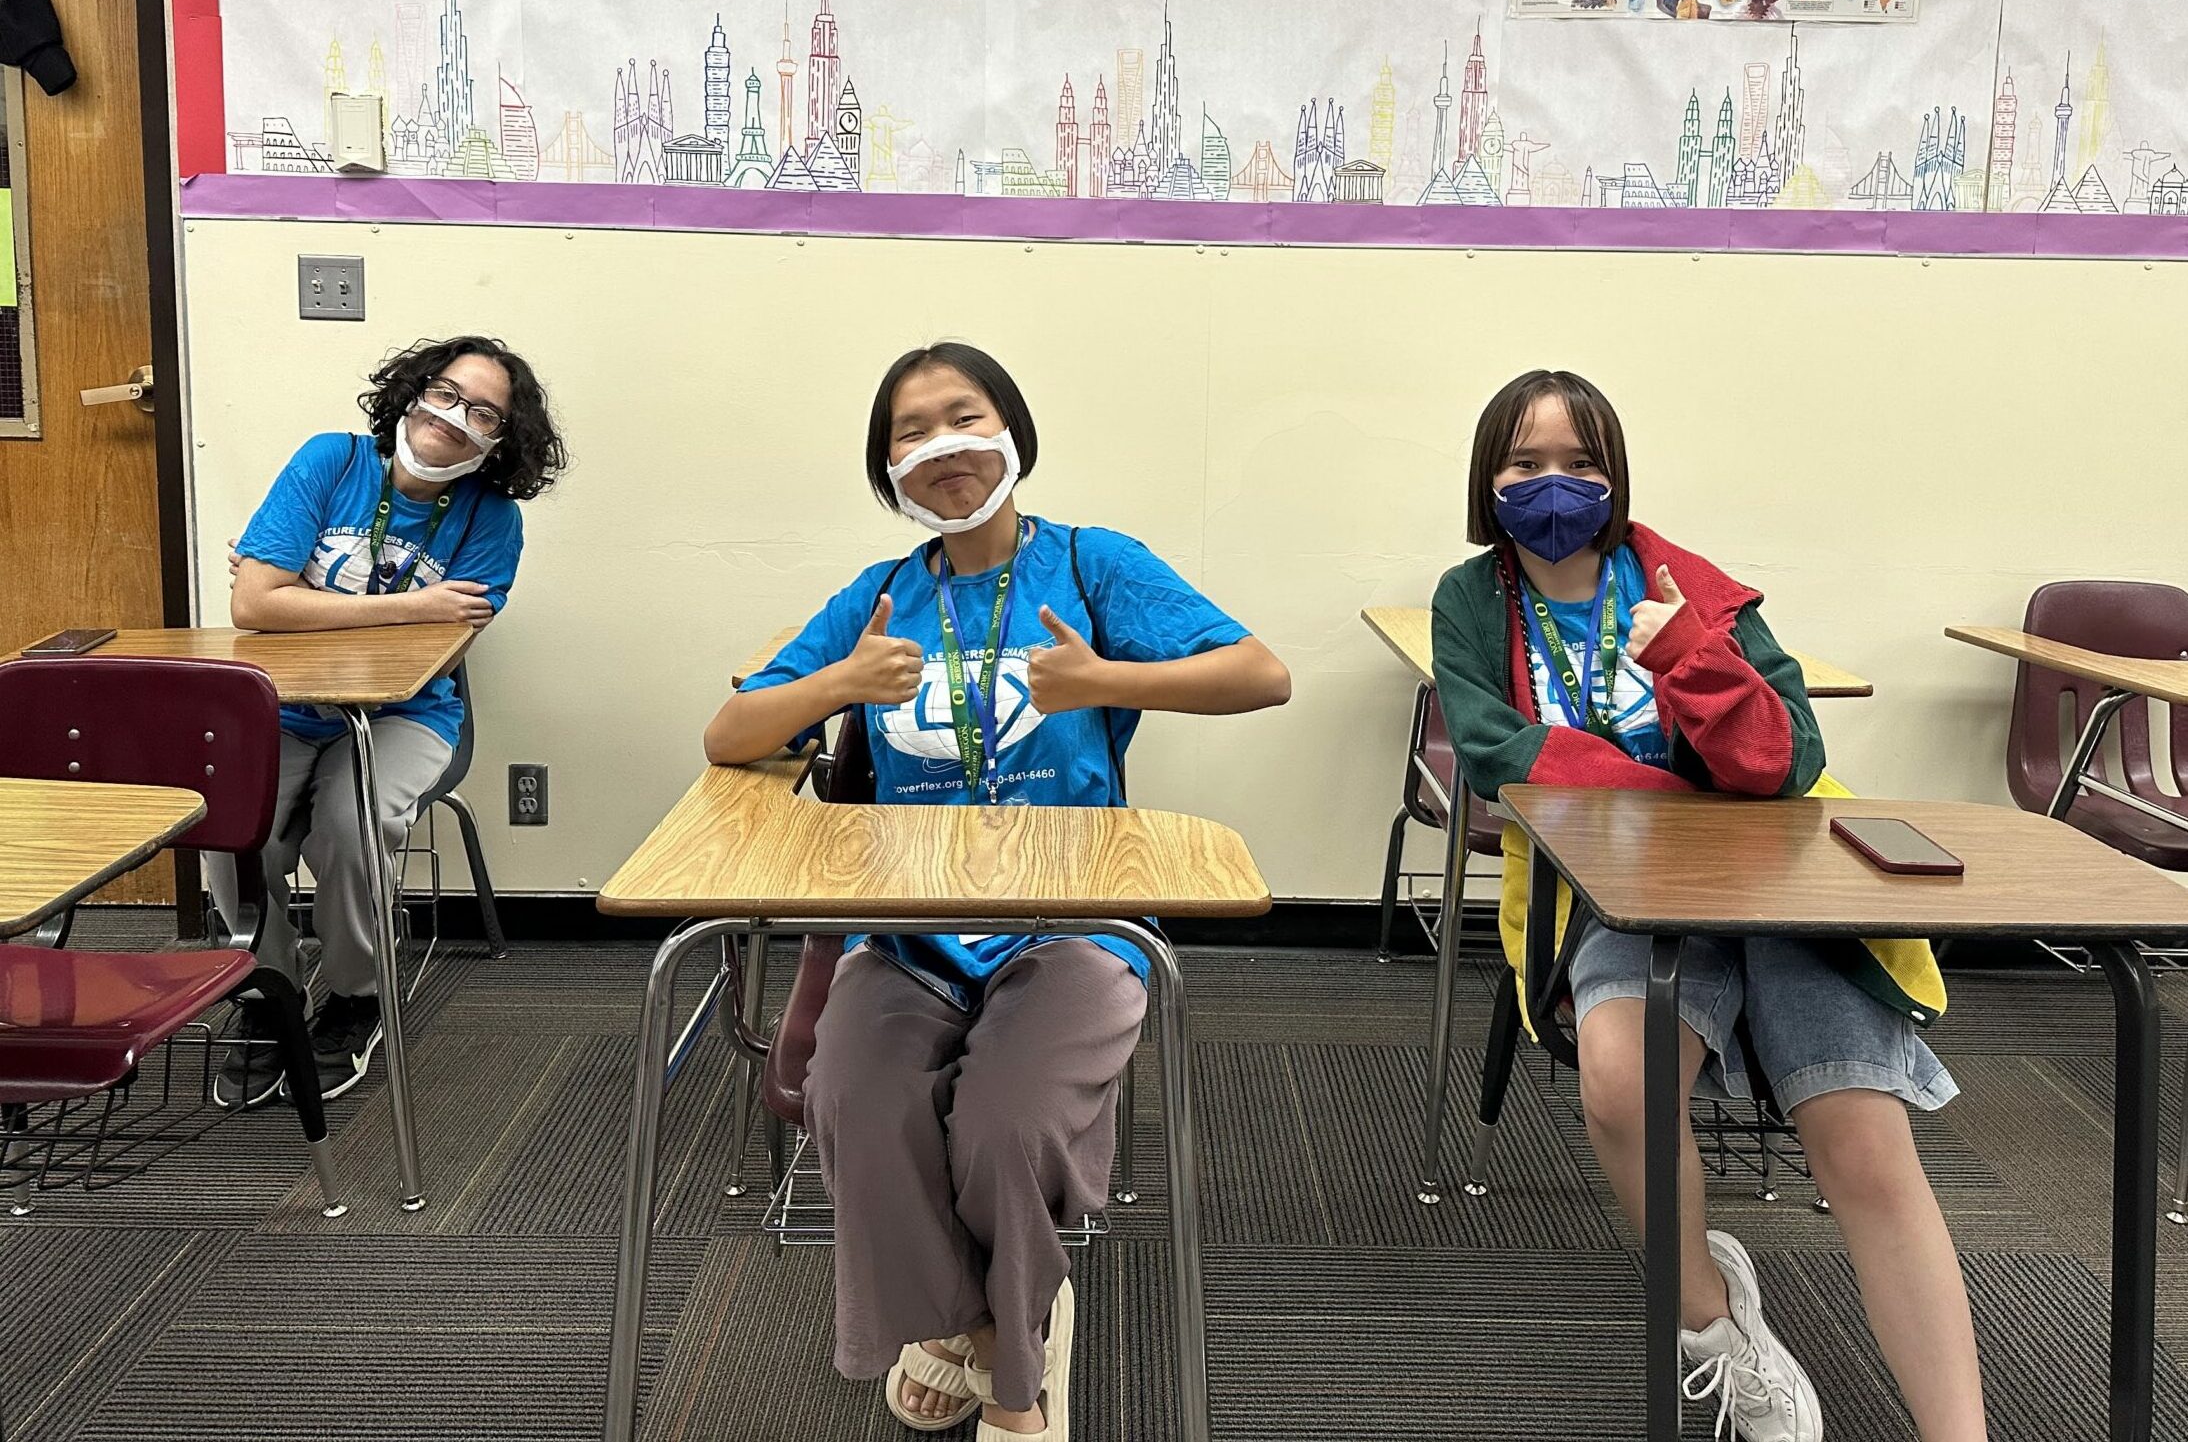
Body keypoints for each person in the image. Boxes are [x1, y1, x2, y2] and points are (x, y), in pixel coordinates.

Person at [704, 342, 1289, 1442]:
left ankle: (1013, 1390)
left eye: (961, 416)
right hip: (912, 928)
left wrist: (1104, 681)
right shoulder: (880, 595)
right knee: (850, 1102)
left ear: (1011, 427)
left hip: (1073, 920)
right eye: (909, 435)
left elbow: (1261, 673)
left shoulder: (1091, 564)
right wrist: (838, 683)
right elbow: (729, 732)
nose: (942, 447)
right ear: (890, 475)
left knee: (1004, 1127)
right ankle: (1002, 1325)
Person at [1430, 370, 1985, 1442]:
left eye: (1580, 464)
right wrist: (1681, 802)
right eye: (1525, 464)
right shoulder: (1471, 599)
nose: (1554, 486)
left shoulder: (1687, 585)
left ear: (1616, 476)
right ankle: (1711, 1322)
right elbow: (1501, 758)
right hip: (1617, 892)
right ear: (1487, 480)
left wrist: (1690, 660)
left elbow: (1786, 758)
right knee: (1621, 1087)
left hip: (1773, 884)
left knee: (1862, 1139)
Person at [209, 336, 567, 1109]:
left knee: (350, 821)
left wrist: (301, 602)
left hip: (408, 713)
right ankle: (265, 991)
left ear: (502, 441)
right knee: (235, 829)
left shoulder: (491, 520)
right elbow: (252, 607)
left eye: (484, 413)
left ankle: (356, 994)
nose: (455, 418)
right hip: (287, 708)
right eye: (445, 392)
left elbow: (432, 654)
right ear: (412, 392)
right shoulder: (328, 462)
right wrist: (412, 605)